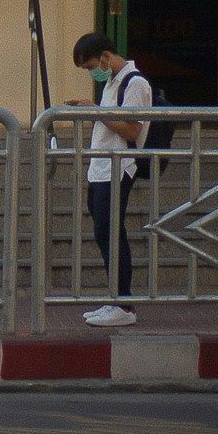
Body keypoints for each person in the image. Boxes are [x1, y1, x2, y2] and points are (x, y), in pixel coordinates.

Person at [72, 31, 151, 326]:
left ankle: (124, 304)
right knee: (104, 232)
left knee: (111, 232)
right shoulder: (112, 83)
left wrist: (97, 111)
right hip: (102, 168)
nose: (92, 72)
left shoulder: (135, 83)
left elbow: (132, 129)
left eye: (91, 66)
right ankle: (114, 299)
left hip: (119, 167)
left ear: (106, 56)